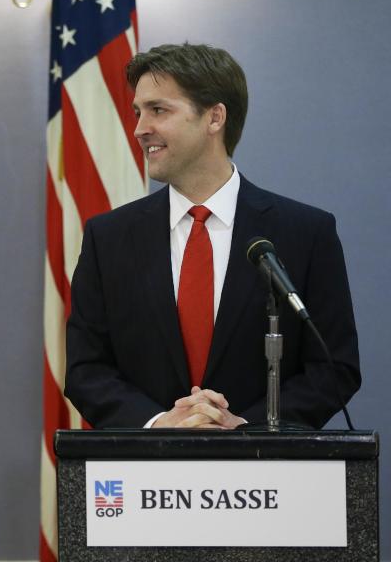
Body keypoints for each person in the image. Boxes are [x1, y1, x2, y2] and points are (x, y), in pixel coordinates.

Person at [64, 43, 360, 430]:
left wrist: (243, 429)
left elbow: (333, 367)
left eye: (158, 110)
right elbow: (87, 368)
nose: (139, 129)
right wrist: (159, 423)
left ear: (214, 117)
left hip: (264, 479)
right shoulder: (109, 238)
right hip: (145, 475)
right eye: (138, 112)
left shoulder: (305, 233)